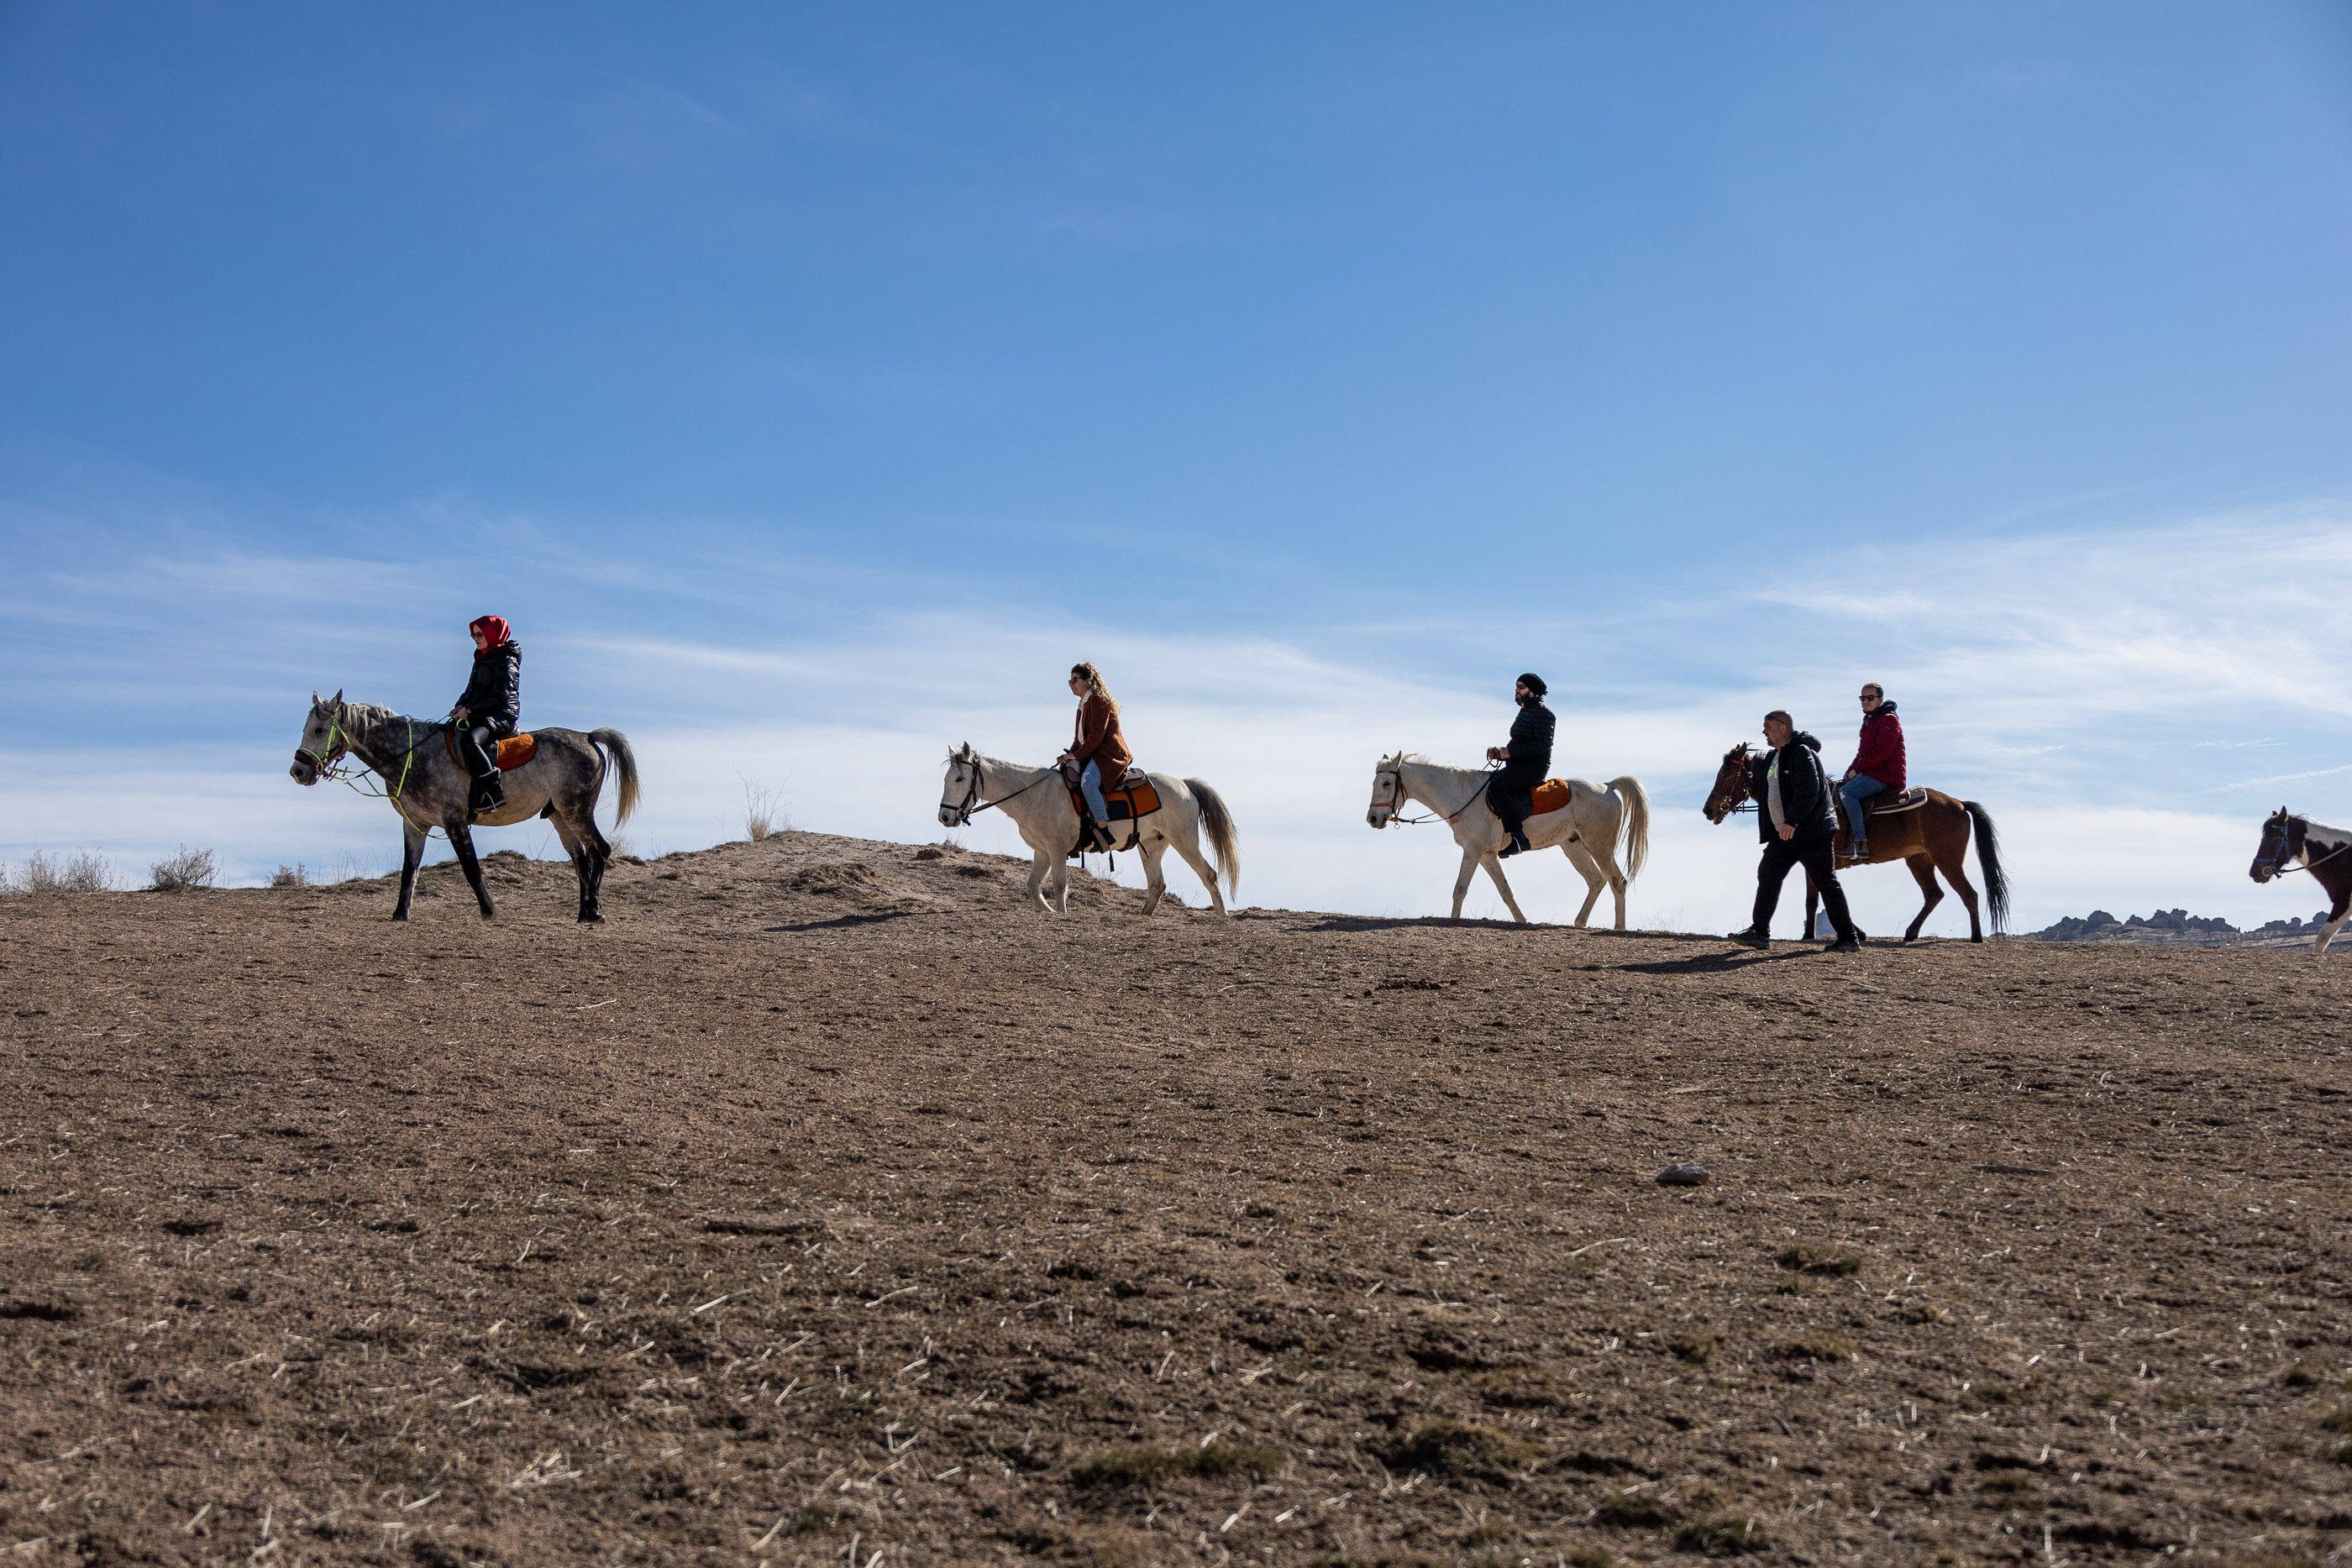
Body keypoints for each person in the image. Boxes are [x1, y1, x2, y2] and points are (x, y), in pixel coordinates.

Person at [1728, 711, 1860, 953]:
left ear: (1783, 727)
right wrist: (1776, 828)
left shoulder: (1801, 753)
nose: (1764, 732)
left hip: (1811, 832)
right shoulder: (1773, 757)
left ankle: (1848, 939)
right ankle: (1759, 932)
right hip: (1784, 835)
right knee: (1768, 873)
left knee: (1825, 882)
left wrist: (1792, 821)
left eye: (1768, 727)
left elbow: (1808, 792)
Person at [450, 615, 522, 818]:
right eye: (473, 635)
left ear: (492, 633)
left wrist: (469, 709)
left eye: (480, 634)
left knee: (470, 740)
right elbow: (471, 690)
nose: (475, 638)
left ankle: (493, 791)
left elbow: (501, 694)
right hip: (480, 712)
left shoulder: (506, 657)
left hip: (502, 713)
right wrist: (460, 705)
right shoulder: (481, 657)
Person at [1058, 662, 1131, 853]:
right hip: (1093, 754)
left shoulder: (1099, 700)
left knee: (1088, 783)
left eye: (1075, 680)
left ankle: (1104, 831)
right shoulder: (1082, 705)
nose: (1071, 684)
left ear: (1088, 681)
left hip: (1107, 756)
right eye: (1069, 681)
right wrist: (1068, 756)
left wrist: (1077, 755)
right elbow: (1079, 740)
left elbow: (1097, 736)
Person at [1485, 673, 1554, 858]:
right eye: (1516, 687)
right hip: (1518, 765)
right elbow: (1521, 742)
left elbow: (1543, 744)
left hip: (1534, 768)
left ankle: (1519, 838)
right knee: (1488, 782)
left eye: (1521, 687)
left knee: (1497, 787)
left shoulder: (1544, 714)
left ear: (1533, 691)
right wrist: (1500, 754)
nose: (1517, 690)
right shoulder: (1525, 711)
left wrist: (1510, 753)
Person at [1839, 682, 1906, 862]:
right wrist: (1850, 770)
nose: (1865, 701)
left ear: (1880, 699)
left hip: (1886, 775)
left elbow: (1883, 752)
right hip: (1873, 773)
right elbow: (1862, 753)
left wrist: (1857, 770)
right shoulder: (1870, 721)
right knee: (1840, 789)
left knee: (1847, 793)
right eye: (1862, 698)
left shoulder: (1888, 719)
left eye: (1870, 698)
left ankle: (1859, 844)